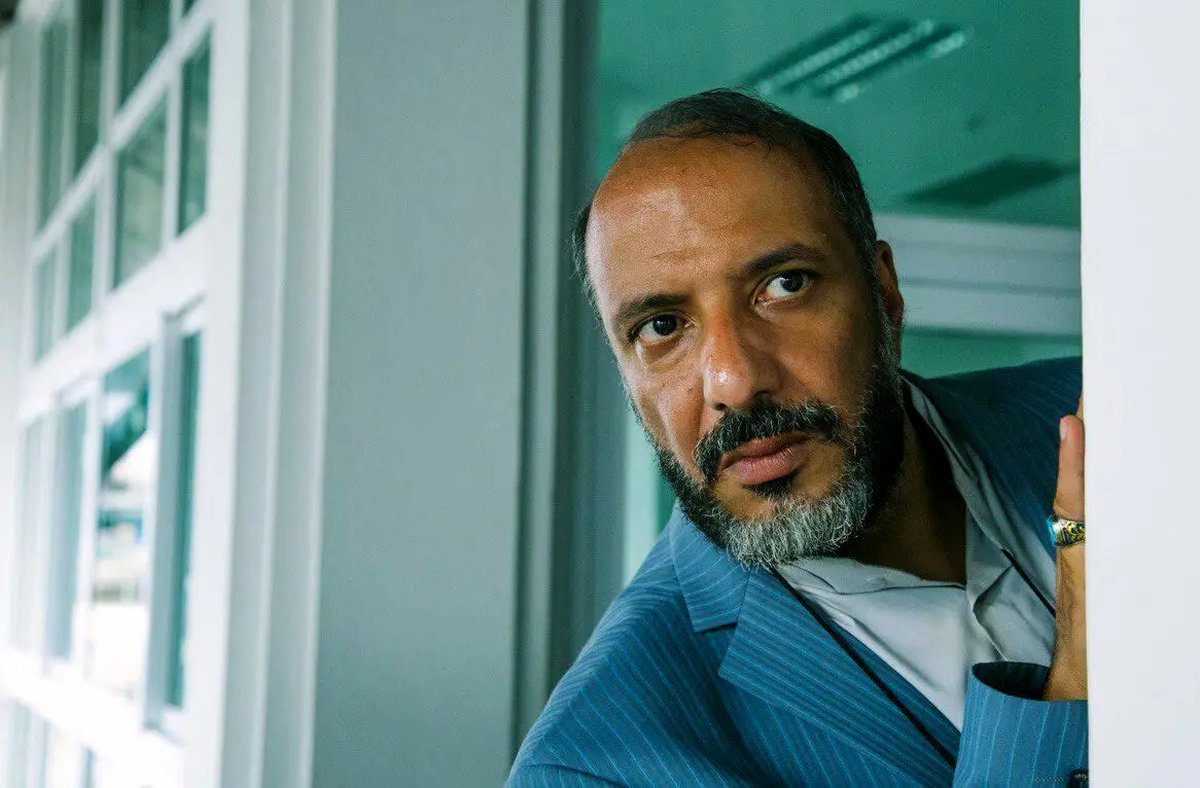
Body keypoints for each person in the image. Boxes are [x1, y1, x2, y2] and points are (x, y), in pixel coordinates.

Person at [509, 89, 1088, 786]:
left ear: (884, 294)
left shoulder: (1116, 409)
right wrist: (1079, 677)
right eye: (661, 327)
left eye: (784, 285)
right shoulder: (593, 767)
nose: (733, 381)